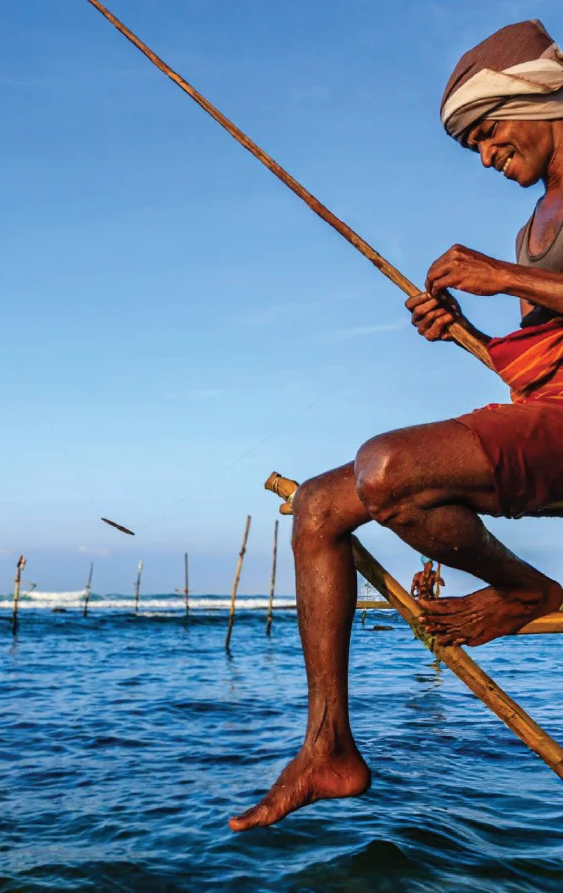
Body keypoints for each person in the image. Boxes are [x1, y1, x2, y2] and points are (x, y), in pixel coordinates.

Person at [229, 20, 563, 831]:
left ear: (539, 101)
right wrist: (468, 333)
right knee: (318, 506)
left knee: (386, 465)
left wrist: (498, 276)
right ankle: (327, 747)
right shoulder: (534, 227)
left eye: (488, 133)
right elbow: (542, 376)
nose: (487, 156)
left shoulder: (526, 245)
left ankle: (523, 589)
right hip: (547, 426)